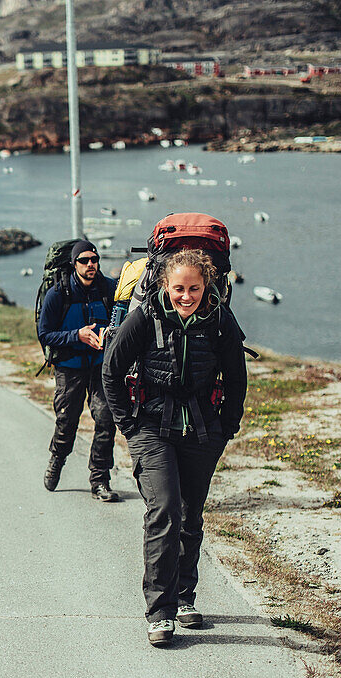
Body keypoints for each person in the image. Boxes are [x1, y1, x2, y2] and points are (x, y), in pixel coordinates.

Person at [101, 248, 247, 646]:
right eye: (179, 287)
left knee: (190, 514)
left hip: (202, 430)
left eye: (195, 288)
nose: (187, 296)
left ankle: (184, 598)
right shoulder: (145, 317)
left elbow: (237, 377)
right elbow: (111, 371)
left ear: (207, 286)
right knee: (164, 509)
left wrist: (225, 429)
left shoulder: (219, 321)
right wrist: (128, 425)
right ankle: (160, 612)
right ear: (165, 284)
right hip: (151, 427)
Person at [36, 239, 119, 502]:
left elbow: (123, 321)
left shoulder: (108, 289)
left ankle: (100, 481)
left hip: (100, 367)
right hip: (69, 369)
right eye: (84, 261)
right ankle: (57, 460)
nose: (91, 265)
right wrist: (77, 336)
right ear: (74, 264)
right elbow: (45, 334)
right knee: (66, 422)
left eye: (94, 260)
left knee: (106, 420)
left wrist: (110, 335)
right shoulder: (58, 294)